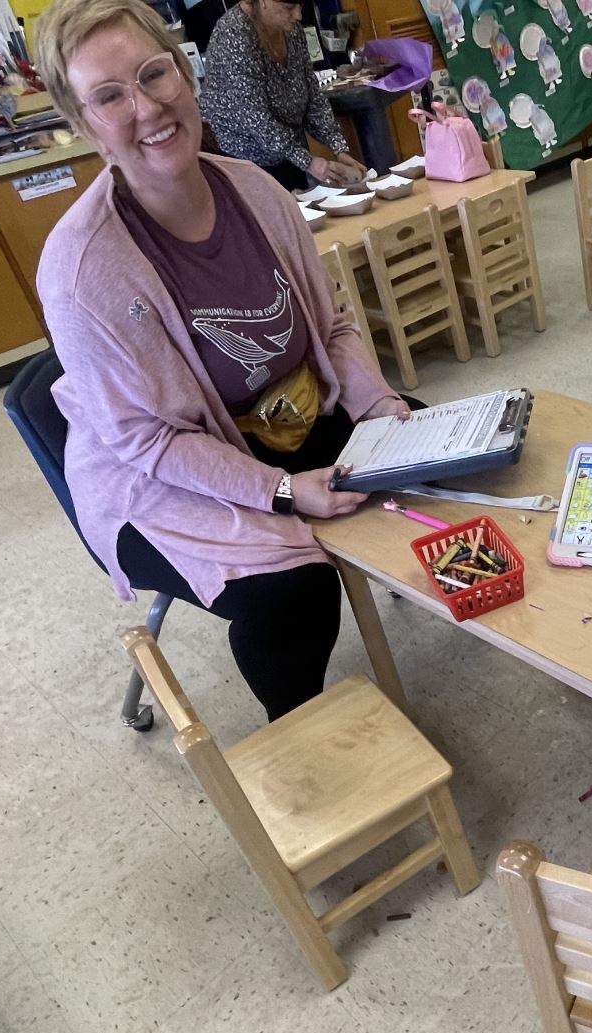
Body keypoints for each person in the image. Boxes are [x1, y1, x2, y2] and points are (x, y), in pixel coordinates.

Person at [32, 0, 411, 720]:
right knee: (291, 589)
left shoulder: (257, 190)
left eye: (154, 73)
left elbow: (329, 326)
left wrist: (382, 408)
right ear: (83, 125)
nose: (146, 107)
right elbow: (148, 440)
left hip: (285, 418)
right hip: (157, 476)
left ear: (186, 72)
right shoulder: (83, 272)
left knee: (426, 450)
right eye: (110, 95)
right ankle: (297, 731)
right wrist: (282, 493)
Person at [199, 0, 365, 191]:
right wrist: (308, 162)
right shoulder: (234, 36)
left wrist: (339, 148)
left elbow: (312, 95)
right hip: (244, 162)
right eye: (289, 8)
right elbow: (256, 119)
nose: (298, 15)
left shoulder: (291, 30)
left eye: (300, 6)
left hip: (286, 153)